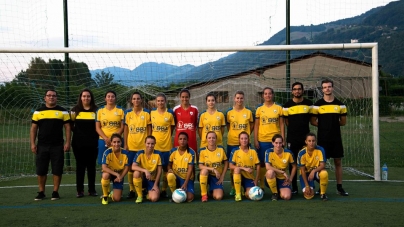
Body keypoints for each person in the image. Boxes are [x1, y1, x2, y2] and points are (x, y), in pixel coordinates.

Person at [30, 89, 71, 201]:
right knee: (41, 169)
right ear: (45, 98)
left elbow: (67, 128)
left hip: (57, 145)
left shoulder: (63, 112)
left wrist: (68, 142)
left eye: (53, 96)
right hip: (42, 145)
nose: (51, 97)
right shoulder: (38, 112)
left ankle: (55, 192)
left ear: (56, 98)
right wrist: (33, 143)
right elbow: (34, 129)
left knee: (57, 169)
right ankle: (41, 192)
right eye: (49, 95)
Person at [310, 79, 348, 196]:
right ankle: (321, 188)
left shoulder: (340, 104)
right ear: (322, 89)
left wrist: (332, 126)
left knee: (337, 162)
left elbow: (343, 122)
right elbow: (313, 121)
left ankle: (339, 187)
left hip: (336, 138)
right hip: (322, 138)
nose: (327, 89)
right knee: (322, 164)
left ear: (333, 88)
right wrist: (324, 127)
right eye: (325, 87)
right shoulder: (317, 105)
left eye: (329, 87)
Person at [282, 82, 313, 193]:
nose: (297, 91)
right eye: (295, 89)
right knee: (293, 163)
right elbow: (286, 122)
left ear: (303, 90)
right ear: (292, 91)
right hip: (292, 138)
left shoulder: (309, 104)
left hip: (305, 139)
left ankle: (308, 186)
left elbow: (312, 119)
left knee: (307, 163)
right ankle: (294, 187)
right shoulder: (287, 105)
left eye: (299, 89)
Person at [70, 88, 99, 198]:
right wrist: (79, 133)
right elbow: (71, 125)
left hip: (93, 142)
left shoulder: (97, 110)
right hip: (78, 143)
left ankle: (92, 190)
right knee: (80, 166)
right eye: (84, 96)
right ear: (80, 97)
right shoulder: (74, 110)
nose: (86, 98)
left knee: (91, 166)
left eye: (88, 96)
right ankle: (79, 190)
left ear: (91, 98)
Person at [254, 87, 284, 190]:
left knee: (275, 163)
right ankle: (262, 185)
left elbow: (281, 124)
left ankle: (276, 183)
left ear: (273, 95)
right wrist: (255, 140)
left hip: (276, 141)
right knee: (262, 163)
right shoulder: (259, 109)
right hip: (263, 140)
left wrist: (283, 138)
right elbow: (256, 126)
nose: (268, 95)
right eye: (265, 94)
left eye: (269, 93)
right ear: (263, 95)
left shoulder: (279, 108)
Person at [124, 92, 151, 199]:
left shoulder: (146, 113)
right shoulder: (128, 114)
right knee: (130, 168)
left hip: (142, 147)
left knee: (142, 168)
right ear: (131, 101)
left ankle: (143, 189)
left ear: (141, 100)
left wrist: (148, 145)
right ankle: (131, 190)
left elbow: (149, 129)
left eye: (138, 98)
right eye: (134, 99)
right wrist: (125, 144)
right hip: (131, 146)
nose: (136, 100)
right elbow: (126, 130)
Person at [226, 90, 254, 196]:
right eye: (237, 98)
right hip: (232, 142)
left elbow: (251, 125)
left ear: (244, 99)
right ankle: (234, 187)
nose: (239, 100)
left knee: (247, 164)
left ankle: (246, 185)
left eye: (241, 98)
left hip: (245, 143)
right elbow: (228, 126)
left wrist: (245, 136)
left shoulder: (248, 112)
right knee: (232, 166)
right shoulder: (229, 112)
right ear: (234, 99)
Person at [150, 93, 175, 198]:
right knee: (154, 169)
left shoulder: (170, 114)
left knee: (165, 169)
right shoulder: (152, 113)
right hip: (155, 147)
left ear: (165, 101)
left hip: (166, 146)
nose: (160, 102)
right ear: (156, 102)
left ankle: (164, 190)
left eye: (162, 100)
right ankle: (154, 188)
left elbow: (172, 128)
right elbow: (150, 128)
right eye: (158, 101)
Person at [229, 132, 260, 202]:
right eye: (242, 138)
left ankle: (244, 190)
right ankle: (238, 194)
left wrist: (256, 180)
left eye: (246, 138)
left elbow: (258, 165)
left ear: (248, 140)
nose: (244, 140)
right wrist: (244, 168)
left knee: (251, 196)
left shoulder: (253, 151)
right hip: (237, 176)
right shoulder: (235, 151)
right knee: (236, 169)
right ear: (239, 140)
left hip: (249, 177)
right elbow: (230, 166)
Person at [95, 91, 125, 165]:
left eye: (112, 96)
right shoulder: (99, 111)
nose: (110, 98)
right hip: (103, 140)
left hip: (117, 141)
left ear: (115, 98)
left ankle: (119, 177)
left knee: (119, 163)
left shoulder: (121, 110)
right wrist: (105, 138)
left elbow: (122, 127)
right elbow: (98, 128)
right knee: (104, 163)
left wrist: (113, 138)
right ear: (105, 98)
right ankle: (105, 177)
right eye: (108, 96)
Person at [297, 132, 329, 201]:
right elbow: (302, 170)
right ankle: (311, 186)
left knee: (324, 173)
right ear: (306, 142)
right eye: (309, 141)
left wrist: (314, 171)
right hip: (306, 174)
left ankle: (323, 194)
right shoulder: (301, 153)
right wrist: (307, 186)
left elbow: (322, 165)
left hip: (316, 172)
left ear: (315, 141)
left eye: (313, 141)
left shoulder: (320, 150)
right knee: (308, 196)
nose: (311, 143)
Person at [264, 134, 296, 201]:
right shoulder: (268, 152)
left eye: (280, 143)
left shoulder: (288, 153)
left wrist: (290, 179)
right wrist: (282, 172)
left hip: (283, 179)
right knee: (270, 172)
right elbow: (267, 167)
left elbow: (294, 166)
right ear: (272, 143)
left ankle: (280, 190)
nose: (278, 145)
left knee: (287, 197)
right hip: (272, 177)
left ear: (283, 143)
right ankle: (275, 193)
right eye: (276, 143)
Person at [198, 131, 228, 202]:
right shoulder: (202, 151)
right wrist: (213, 169)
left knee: (218, 197)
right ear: (206, 139)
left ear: (216, 139)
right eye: (209, 138)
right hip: (206, 175)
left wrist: (222, 176)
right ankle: (204, 195)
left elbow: (226, 163)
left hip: (217, 177)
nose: (211, 139)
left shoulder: (221, 149)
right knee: (204, 171)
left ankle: (212, 192)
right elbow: (200, 166)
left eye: (213, 138)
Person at [132, 135, 163, 203]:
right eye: (148, 143)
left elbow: (159, 171)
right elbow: (133, 166)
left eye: (152, 143)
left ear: (155, 144)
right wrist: (145, 171)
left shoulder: (158, 154)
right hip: (142, 178)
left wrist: (155, 185)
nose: (150, 145)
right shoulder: (140, 153)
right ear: (145, 143)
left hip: (152, 180)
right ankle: (140, 195)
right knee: (136, 173)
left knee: (154, 198)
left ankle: (146, 192)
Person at [100, 134, 129, 205]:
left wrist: (120, 177)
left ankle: (112, 193)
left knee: (117, 199)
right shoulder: (107, 152)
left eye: (118, 142)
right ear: (111, 143)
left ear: (121, 142)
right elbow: (104, 167)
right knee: (105, 175)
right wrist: (116, 174)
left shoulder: (126, 153)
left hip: (119, 175)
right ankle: (105, 196)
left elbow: (127, 168)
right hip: (110, 173)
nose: (116, 144)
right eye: (114, 142)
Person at [167, 132, 196, 202]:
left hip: (187, 179)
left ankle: (182, 190)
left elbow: (190, 169)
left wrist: (185, 183)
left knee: (189, 198)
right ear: (178, 140)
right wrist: (169, 169)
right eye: (180, 139)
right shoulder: (173, 151)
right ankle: (174, 195)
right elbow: (169, 164)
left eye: (184, 139)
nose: (182, 141)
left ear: (187, 140)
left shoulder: (191, 152)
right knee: (170, 175)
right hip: (176, 177)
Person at [173, 89, 199, 153]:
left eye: (186, 97)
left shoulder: (195, 109)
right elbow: (174, 124)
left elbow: (196, 124)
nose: (185, 99)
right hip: (179, 138)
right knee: (178, 157)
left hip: (191, 137)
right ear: (180, 97)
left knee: (192, 157)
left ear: (189, 97)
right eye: (183, 97)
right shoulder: (175, 109)